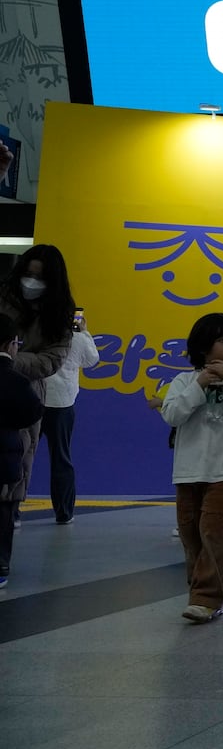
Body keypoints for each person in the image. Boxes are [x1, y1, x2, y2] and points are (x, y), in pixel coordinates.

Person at [162, 313, 223, 622]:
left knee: (213, 531)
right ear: (204, 346)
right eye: (222, 340)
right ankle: (200, 590)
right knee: (191, 534)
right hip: (190, 470)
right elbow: (172, 415)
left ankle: (209, 597)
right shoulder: (183, 381)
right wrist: (200, 384)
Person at [0, 246, 76, 532]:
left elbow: (51, 360)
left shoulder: (60, 315)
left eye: (39, 277)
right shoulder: (4, 296)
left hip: (26, 396)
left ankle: (9, 523)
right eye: (27, 274)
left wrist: (8, 358)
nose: (30, 282)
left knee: (17, 463)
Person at [39, 306, 99, 523]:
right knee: (61, 458)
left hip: (36, 399)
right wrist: (84, 332)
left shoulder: (38, 334)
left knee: (21, 456)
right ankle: (64, 512)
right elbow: (92, 359)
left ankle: (12, 513)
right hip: (62, 403)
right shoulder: (77, 338)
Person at [0, 314, 46, 590]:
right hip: (4, 455)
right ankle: (1, 565)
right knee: (4, 512)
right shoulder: (16, 380)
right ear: (11, 345)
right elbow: (32, 412)